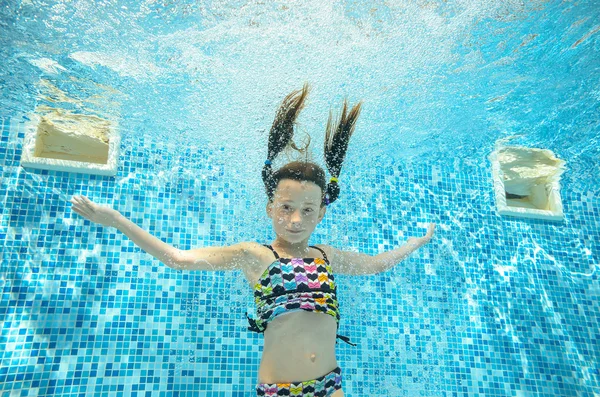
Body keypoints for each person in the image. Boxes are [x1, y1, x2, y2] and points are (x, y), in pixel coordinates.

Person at [70, 83, 435, 396]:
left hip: (330, 384)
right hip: (280, 388)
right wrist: (116, 220)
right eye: (286, 207)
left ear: (321, 213)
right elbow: (177, 259)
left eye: (307, 211)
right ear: (269, 207)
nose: (295, 220)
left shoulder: (326, 255)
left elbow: (374, 265)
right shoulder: (253, 254)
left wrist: (415, 243)